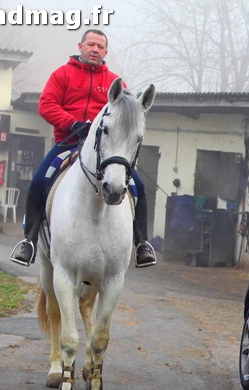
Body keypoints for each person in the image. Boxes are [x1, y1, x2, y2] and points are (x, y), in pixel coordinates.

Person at [10, 29, 156, 268]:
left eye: (100, 46)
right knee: (37, 182)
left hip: (105, 149)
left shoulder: (116, 83)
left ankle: (142, 244)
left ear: (105, 52)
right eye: (91, 45)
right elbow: (46, 104)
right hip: (67, 143)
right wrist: (72, 123)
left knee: (138, 186)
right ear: (80, 46)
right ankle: (29, 241)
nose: (95, 49)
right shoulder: (62, 74)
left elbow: (126, 115)